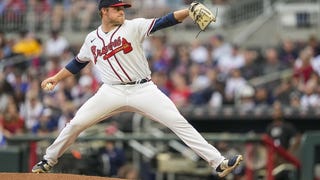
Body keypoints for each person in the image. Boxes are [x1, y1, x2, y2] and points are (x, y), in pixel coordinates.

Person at [31, 0, 242, 177]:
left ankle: (219, 163)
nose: (122, 11)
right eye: (117, 8)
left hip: (143, 89)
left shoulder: (133, 26)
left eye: (123, 8)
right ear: (104, 11)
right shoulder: (91, 39)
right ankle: (48, 161)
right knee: (76, 123)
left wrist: (188, 10)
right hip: (111, 91)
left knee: (178, 122)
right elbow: (78, 62)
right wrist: (57, 78)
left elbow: (164, 21)